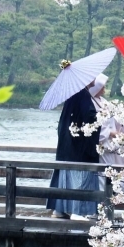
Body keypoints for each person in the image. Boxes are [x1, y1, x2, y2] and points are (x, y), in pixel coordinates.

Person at [46, 74, 104, 220]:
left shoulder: (73, 96)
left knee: (64, 179)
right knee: (82, 179)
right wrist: (101, 116)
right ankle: (82, 211)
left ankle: (60, 210)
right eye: (92, 77)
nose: (94, 80)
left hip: (67, 146)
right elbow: (89, 119)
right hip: (79, 150)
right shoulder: (83, 96)